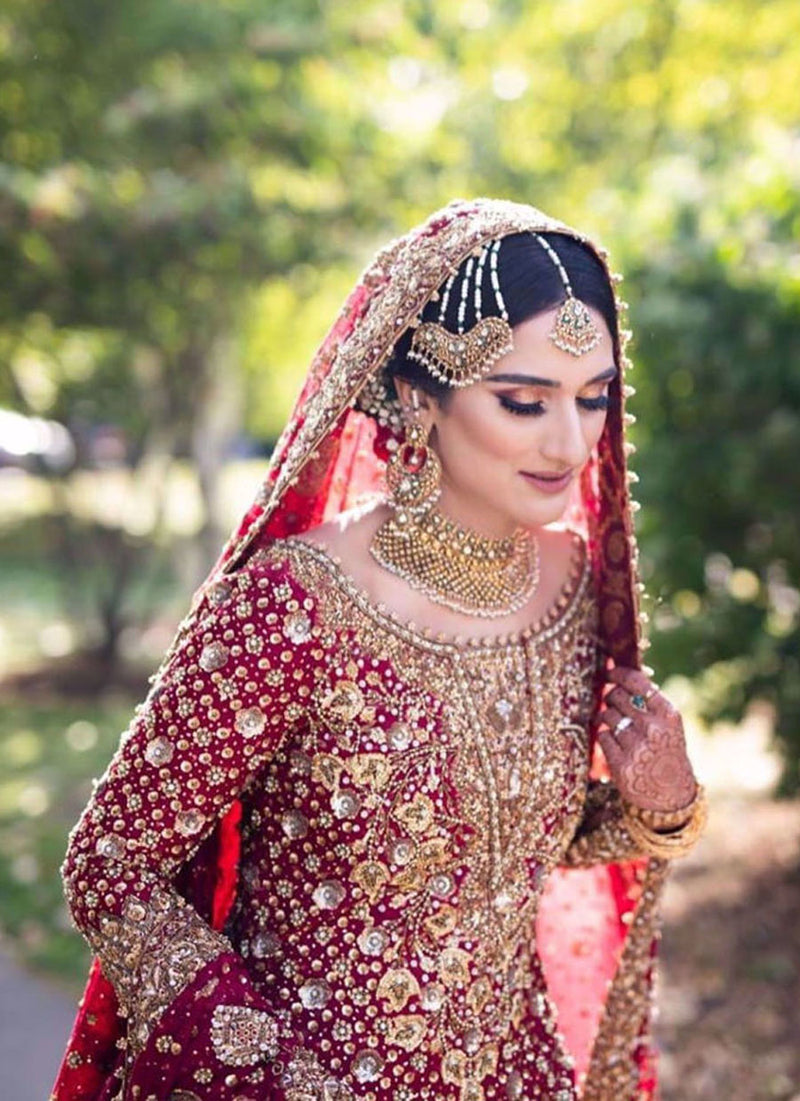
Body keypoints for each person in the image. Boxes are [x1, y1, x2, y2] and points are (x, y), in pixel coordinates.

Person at [52, 198, 707, 1101]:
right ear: (416, 397)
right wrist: (267, 1067)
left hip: (518, 1078)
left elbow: (513, 849)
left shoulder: (573, 585)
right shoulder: (294, 605)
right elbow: (110, 865)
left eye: (594, 399)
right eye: (524, 401)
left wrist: (659, 809)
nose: (569, 441)